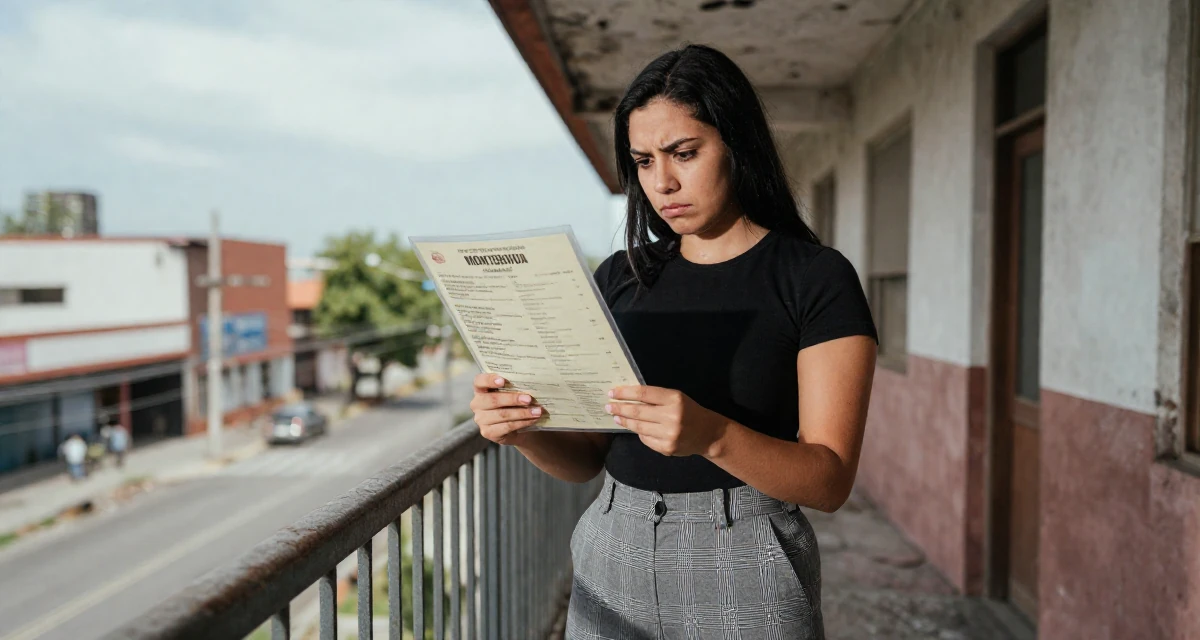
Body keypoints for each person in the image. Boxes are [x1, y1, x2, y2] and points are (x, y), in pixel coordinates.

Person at [470, 44, 878, 639]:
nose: (662, 182)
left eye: (684, 153)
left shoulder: (814, 277)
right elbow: (587, 461)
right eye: (643, 161)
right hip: (612, 549)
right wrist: (523, 430)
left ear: (736, 144)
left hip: (748, 556)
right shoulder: (620, 275)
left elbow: (830, 480)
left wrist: (712, 435)